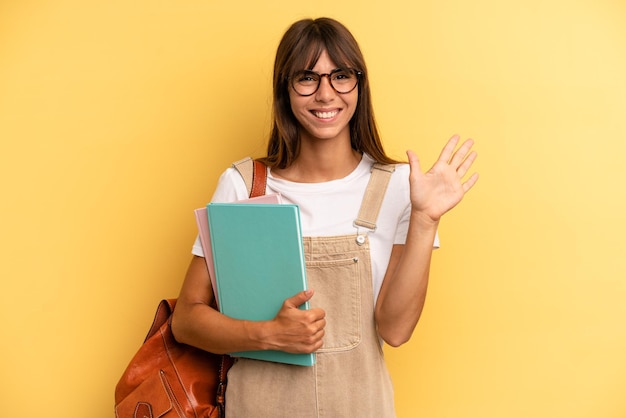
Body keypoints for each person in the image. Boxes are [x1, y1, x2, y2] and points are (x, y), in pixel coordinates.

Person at [171, 17, 478, 418]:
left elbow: (396, 330)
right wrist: (267, 334)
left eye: (341, 76)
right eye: (307, 78)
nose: (325, 94)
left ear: (359, 85)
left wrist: (425, 218)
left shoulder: (400, 187)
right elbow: (186, 321)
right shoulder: (245, 186)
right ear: (286, 88)